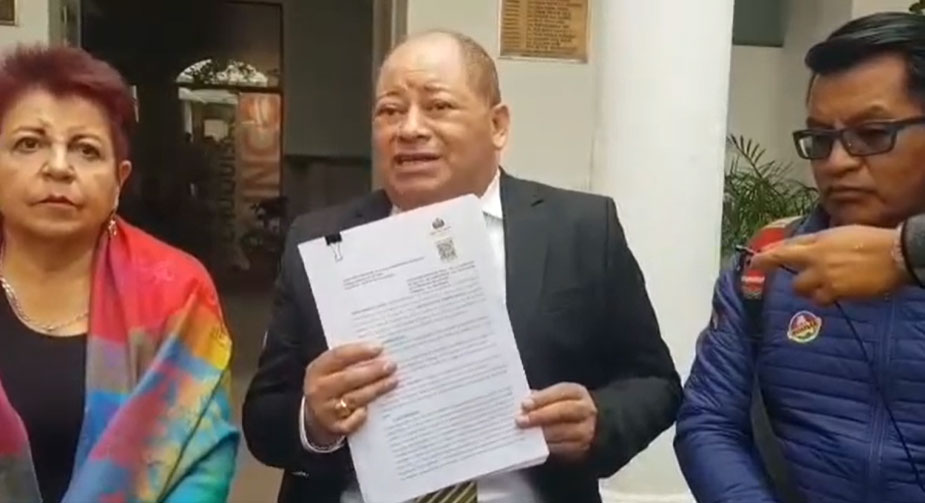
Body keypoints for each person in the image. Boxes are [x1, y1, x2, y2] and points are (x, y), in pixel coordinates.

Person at [243, 30, 680, 503]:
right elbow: (264, 416)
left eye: (438, 106)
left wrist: (599, 420)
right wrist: (312, 420)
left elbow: (653, 382)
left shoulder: (581, 230)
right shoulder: (317, 241)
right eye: (390, 111)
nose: (409, 129)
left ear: (498, 125)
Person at [675, 12, 925, 503]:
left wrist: (907, 254)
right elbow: (710, 422)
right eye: (821, 139)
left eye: (873, 134)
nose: (837, 162)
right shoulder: (768, 263)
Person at [0, 46, 237, 503]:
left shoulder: (177, 291)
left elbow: (203, 460)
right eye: (29, 144)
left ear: (119, 181)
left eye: (86, 150)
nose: (58, 167)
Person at [750, 215, 925, 303]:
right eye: (819, 144)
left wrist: (909, 250)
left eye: (872, 142)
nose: (837, 163)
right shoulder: (772, 241)